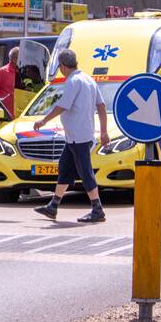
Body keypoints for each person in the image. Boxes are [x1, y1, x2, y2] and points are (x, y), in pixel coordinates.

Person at [32, 49, 110, 223]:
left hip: (78, 136)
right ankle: (53, 206)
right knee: (65, 167)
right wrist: (103, 131)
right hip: (77, 135)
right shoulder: (89, 79)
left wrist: (43, 121)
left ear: (62, 67)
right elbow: (102, 106)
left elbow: (62, 106)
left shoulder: (73, 82)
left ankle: (97, 209)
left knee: (85, 171)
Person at [0, 47, 19, 116]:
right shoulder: (2, 72)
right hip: (6, 115)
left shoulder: (25, 72)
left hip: (22, 115)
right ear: (14, 59)